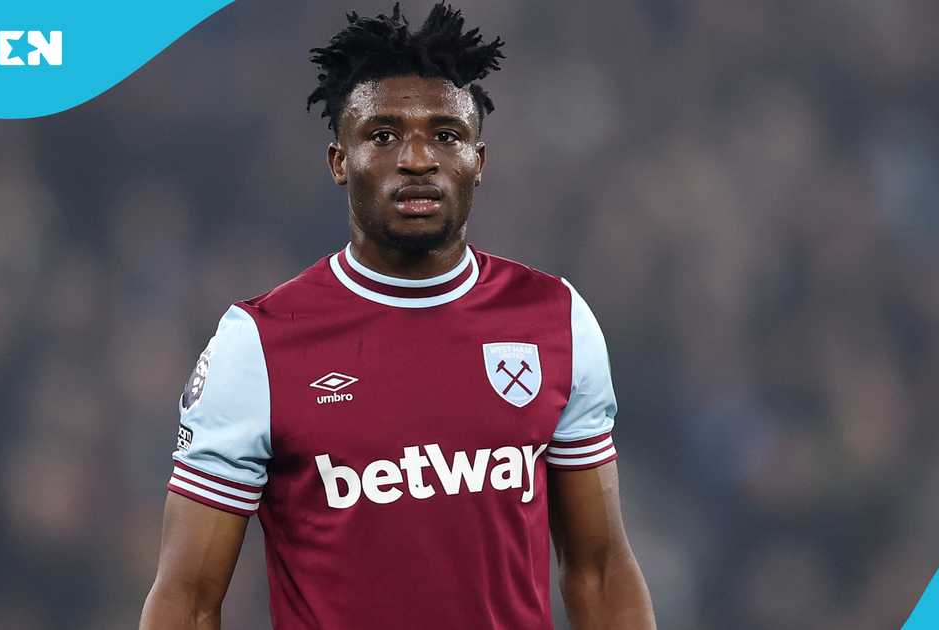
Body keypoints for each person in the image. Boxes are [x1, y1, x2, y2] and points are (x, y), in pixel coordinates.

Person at [139, 3, 656, 628]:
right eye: (383, 135)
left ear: (478, 161)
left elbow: (599, 568)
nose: (417, 158)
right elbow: (187, 601)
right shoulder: (258, 347)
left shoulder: (556, 320)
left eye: (445, 134)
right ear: (338, 162)